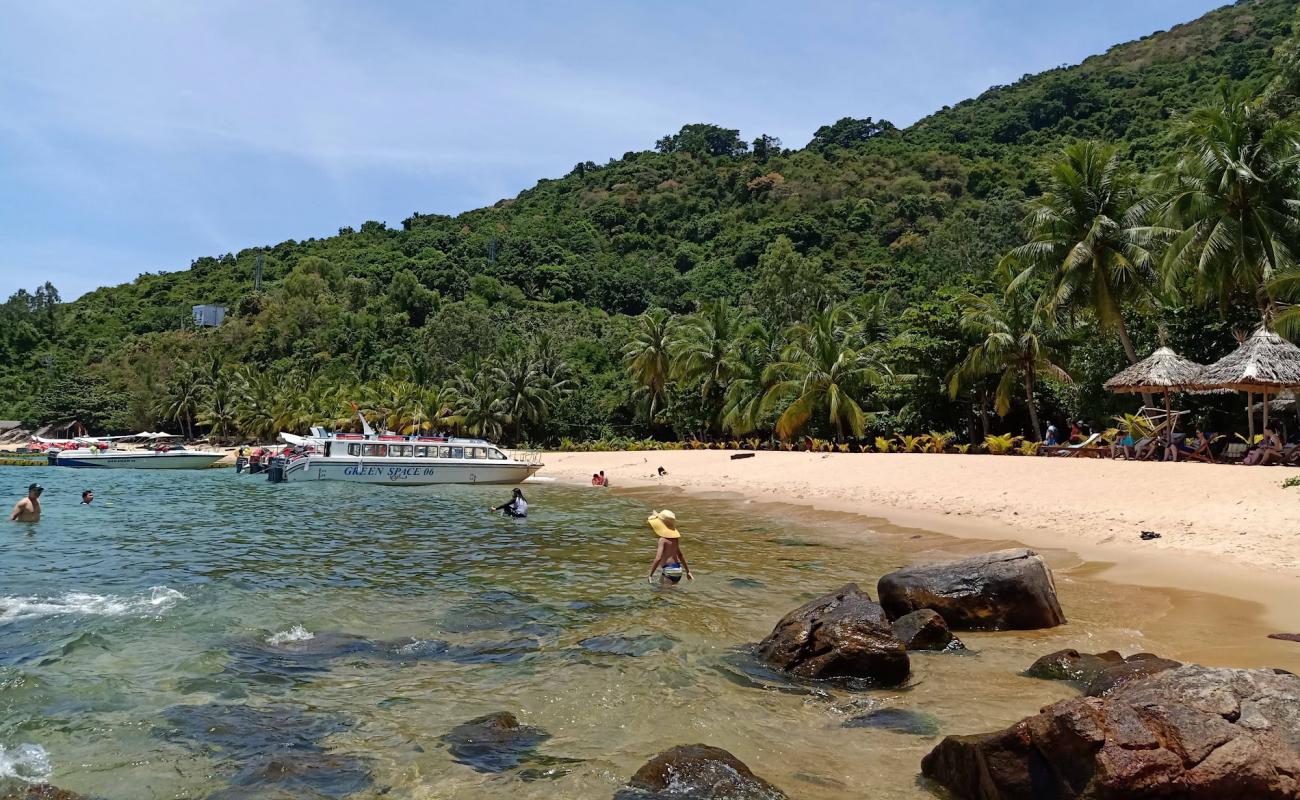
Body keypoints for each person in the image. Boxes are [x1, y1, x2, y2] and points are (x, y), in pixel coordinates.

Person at [646, 509, 693, 586]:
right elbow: (680, 555)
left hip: (669, 570)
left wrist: (650, 574)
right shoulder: (675, 539)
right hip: (678, 569)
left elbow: (658, 558)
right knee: (670, 591)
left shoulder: (662, 540)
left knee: (663, 592)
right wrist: (688, 571)